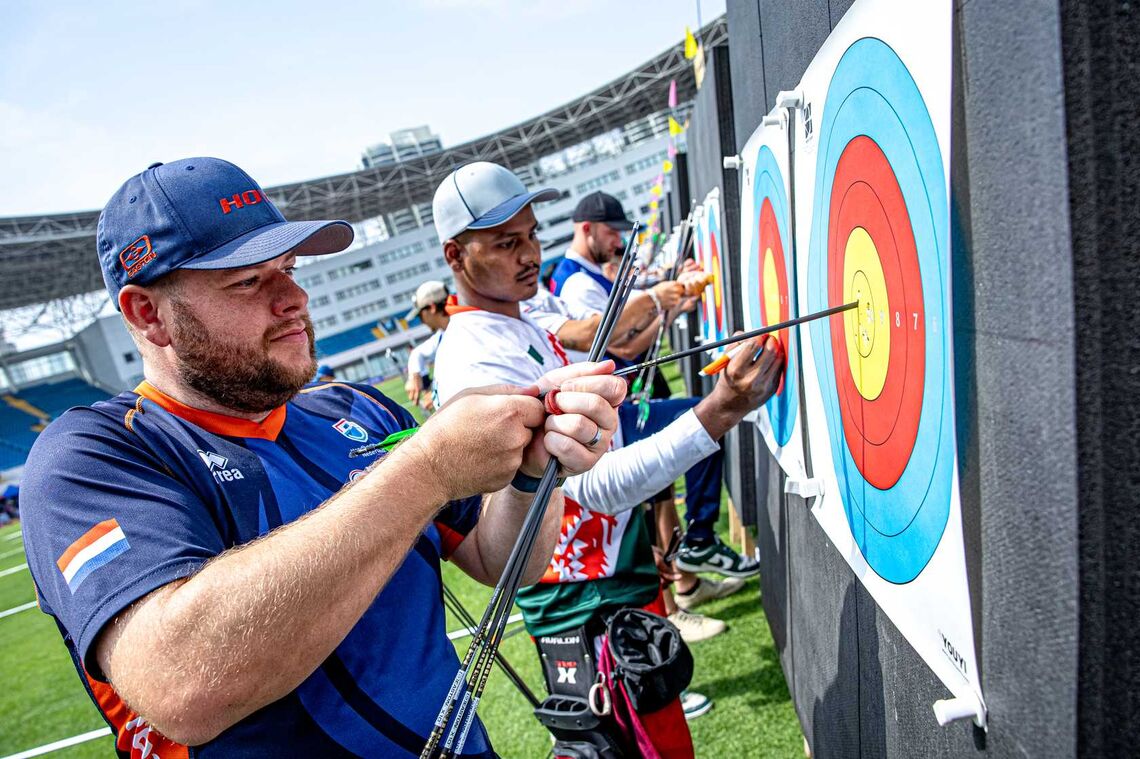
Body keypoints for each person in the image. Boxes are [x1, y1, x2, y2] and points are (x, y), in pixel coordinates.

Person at [19, 157, 625, 758]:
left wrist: (533, 470)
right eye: (248, 281)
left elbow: (502, 561)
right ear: (148, 314)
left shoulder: (360, 408)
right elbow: (184, 684)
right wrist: (428, 467)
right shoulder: (93, 454)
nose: (294, 297)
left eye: (288, 268)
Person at [431, 162, 784, 757]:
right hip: (580, 598)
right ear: (456, 256)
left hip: (605, 579)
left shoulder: (518, 320)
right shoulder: (476, 360)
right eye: (505, 243)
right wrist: (721, 411)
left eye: (532, 235)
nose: (529, 255)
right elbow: (593, 487)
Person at [548, 191, 762, 581]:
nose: (619, 242)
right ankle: (697, 544)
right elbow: (624, 344)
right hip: (607, 419)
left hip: (614, 409)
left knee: (667, 480)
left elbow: (629, 334)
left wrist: (671, 305)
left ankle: (689, 569)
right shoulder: (577, 284)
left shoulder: (587, 276)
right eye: (612, 233)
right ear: (587, 229)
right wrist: (660, 299)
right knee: (701, 419)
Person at [404, 279, 450, 410]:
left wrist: (439, 395)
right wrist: (414, 375)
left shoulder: (465, 329)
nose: (421, 321)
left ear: (432, 308)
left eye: (420, 315)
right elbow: (417, 353)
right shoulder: (442, 334)